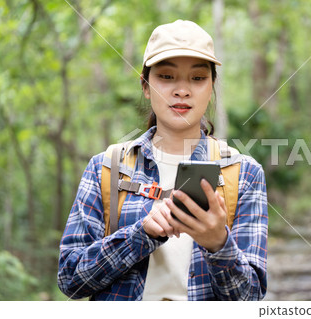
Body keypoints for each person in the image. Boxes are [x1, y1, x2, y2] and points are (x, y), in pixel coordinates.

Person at [57, 19, 268, 301]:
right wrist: (140, 235)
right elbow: (70, 279)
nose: (182, 90)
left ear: (212, 87)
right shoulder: (106, 167)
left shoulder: (242, 173)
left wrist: (219, 244)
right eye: (166, 77)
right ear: (145, 86)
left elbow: (250, 298)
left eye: (197, 78)